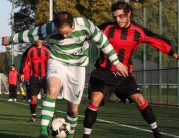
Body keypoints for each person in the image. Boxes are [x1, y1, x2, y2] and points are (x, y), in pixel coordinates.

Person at [1, 11, 128, 138]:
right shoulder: (49, 28)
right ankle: (43, 133)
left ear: (73, 24)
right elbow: (30, 34)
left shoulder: (86, 25)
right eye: (61, 33)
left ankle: (69, 135)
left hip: (77, 67)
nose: (65, 36)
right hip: (57, 62)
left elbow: (103, 42)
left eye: (67, 32)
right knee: (53, 88)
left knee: (73, 110)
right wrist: (10, 39)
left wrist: (116, 63)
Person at [82, 1, 179, 138]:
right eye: (115, 16)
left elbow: (157, 41)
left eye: (121, 16)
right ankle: (85, 136)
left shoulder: (138, 32)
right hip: (102, 73)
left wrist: (175, 55)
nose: (118, 20)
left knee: (140, 99)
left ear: (129, 14)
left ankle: (157, 134)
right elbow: (88, 33)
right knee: (95, 98)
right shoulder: (106, 28)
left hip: (123, 74)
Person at [19, 40, 50, 122]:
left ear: (43, 40)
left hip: (45, 77)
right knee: (33, 98)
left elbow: (53, 61)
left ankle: (50, 114)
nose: (38, 41)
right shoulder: (29, 50)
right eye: (36, 39)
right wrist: (22, 72)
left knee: (49, 96)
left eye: (40, 39)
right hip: (34, 77)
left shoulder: (47, 49)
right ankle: (33, 116)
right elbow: (23, 61)